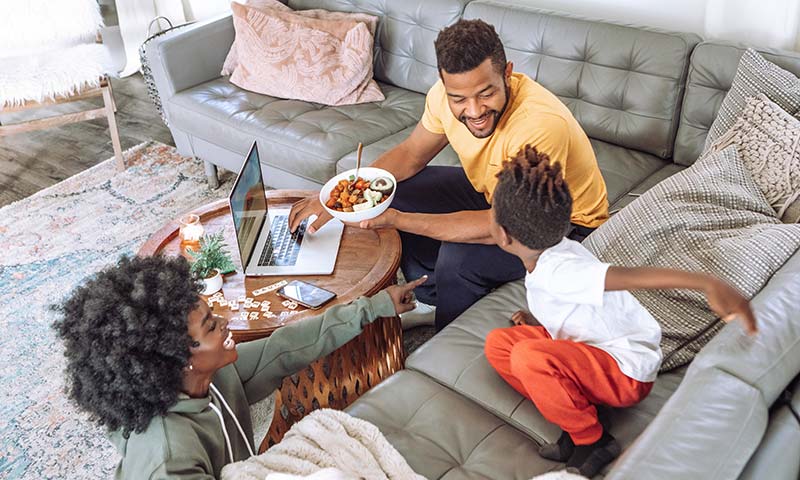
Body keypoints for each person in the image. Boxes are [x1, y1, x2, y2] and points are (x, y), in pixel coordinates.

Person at [289, 19, 609, 331]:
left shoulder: (538, 125)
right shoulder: (442, 98)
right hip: (495, 194)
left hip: (561, 225)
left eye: (486, 93)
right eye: (459, 98)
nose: (474, 110)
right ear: (445, 86)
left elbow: (503, 224)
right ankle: (432, 300)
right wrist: (342, 194)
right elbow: (411, 155)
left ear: (507, 74)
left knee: (458, 256)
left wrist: (399, 220)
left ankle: (447, 332)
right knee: (396, 188)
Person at [483, 145, 757, 477]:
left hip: (625, 371)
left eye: (491, 209)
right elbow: (574, 311)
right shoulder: (551, 254)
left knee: (529, 357)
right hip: (591, 351)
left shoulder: (561, 270)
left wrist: (706, 283)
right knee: (500, 345)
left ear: (504, 234)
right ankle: (576, 408)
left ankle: (591, 440)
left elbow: (632, 277)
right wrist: (538, 321)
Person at [52, 255, 426, 479]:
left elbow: (286, 347)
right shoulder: (169, 457)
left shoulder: (210, 377)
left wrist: (375, 306)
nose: (227, 325)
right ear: (177, 358)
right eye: (212, 326)